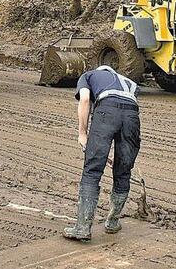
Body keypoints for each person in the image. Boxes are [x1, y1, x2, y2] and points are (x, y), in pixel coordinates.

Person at [63, 64, 141, 242]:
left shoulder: (89, 76)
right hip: (132, 117)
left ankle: (82, 228)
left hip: (106, 111)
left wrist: (83, 134)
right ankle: (112, 222)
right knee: (123, 170)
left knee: (92, 170)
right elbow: (125, 112)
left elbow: (85, 101)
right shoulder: (130, 83)